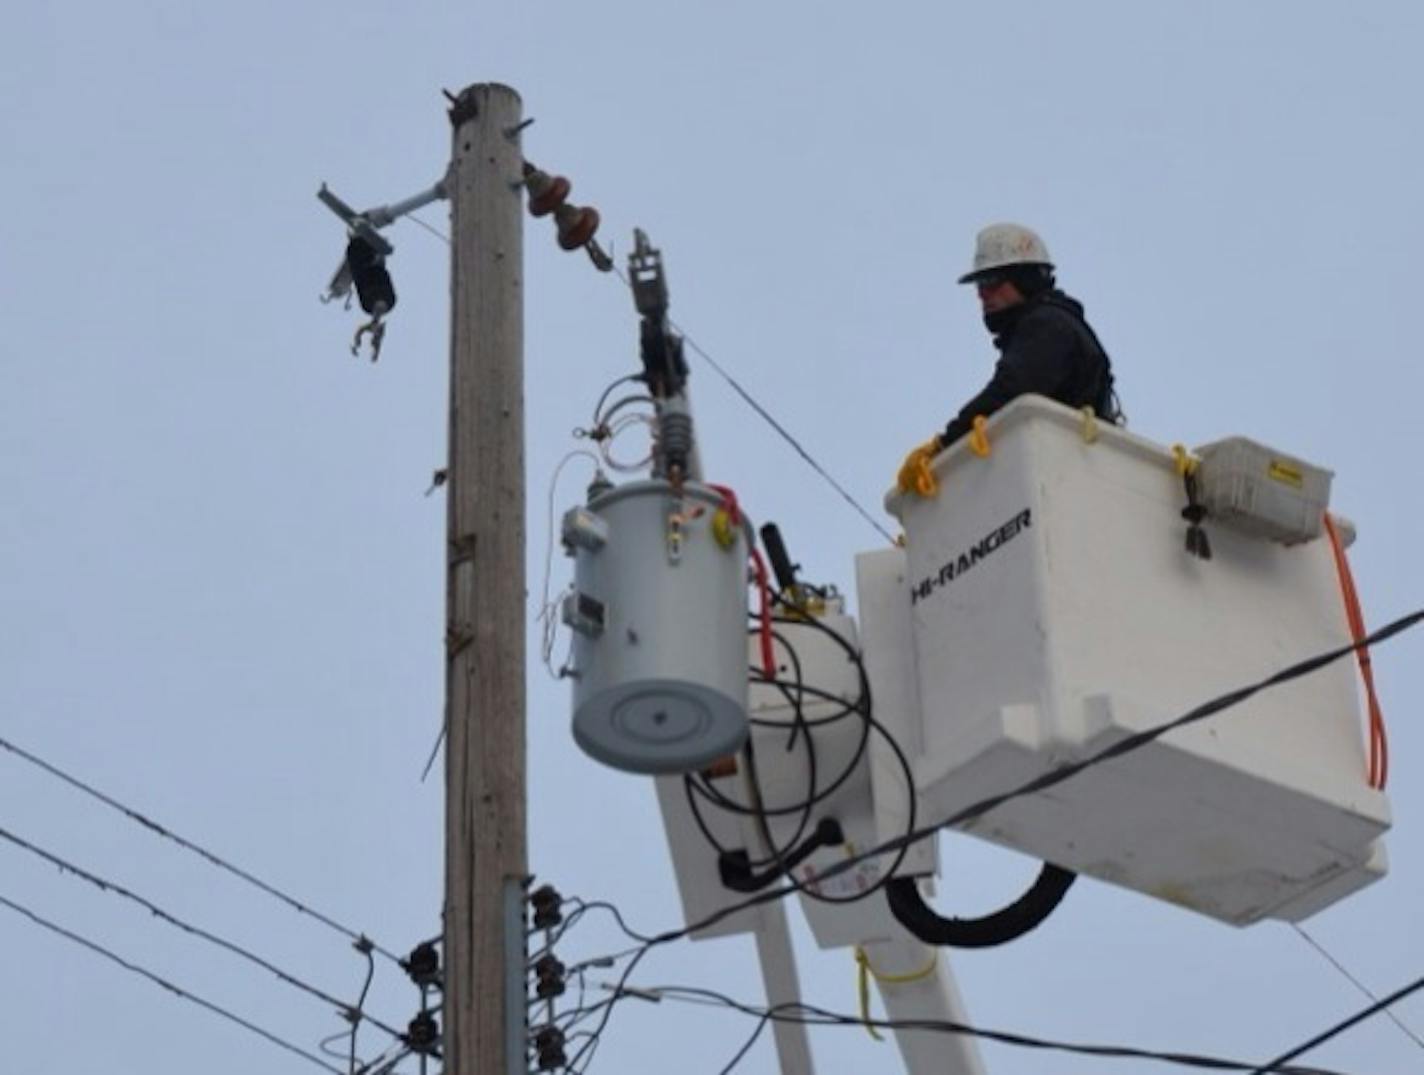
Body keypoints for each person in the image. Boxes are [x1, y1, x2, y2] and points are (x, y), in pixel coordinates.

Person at [898, 223, 1121, 493]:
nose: (982, 294)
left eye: (991, 282)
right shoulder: (1048, 326)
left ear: (1025, 280)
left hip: (1069, 472)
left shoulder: (1048, 326)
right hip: (1069, 469)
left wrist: (944, 445)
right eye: (980, 285)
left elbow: (1012, 389)